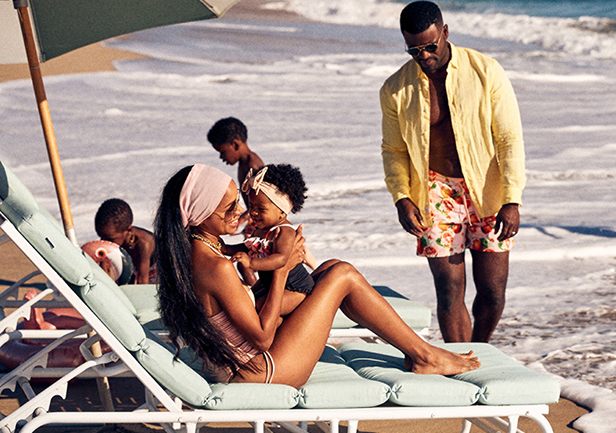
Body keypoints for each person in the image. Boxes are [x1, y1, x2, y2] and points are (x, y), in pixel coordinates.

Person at [154, 164, 479, 387]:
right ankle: (424, 355)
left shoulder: (201, 252)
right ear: (198, 214)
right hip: (260, 370)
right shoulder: (217, 266)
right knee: (343, 275)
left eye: (238, 202)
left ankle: (422, 353)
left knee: (327, 269)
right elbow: (263, 337)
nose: (240, 213)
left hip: (238, 363)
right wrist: (281, 270)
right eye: (228, 209)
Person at [380, 1, 525, 343]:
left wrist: (512, 198)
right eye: (414, 49)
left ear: (445, 32)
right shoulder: (395, 89)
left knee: (492, 293)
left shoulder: (486, 71)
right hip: (433, 192)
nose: (424, 55)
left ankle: (480, 348)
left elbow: (509, 138)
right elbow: (394, 150)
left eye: (430, 46)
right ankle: (460, 366)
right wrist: (401, 198)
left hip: (487, 190)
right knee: (449, 289)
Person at [228, 164, 315, 316]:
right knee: (248, 298)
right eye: (252, 207)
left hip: (295, 289)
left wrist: (251, 263)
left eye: (261, 209)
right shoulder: (261, 229)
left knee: (261, 306)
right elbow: (251, 248)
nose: (253, 213)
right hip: (271, 282)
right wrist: (225, 248)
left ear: (282, 211)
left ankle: (278, 324)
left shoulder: (285, 231)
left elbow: (281, 259)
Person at [95, 198, 156, 284]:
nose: (104, 242)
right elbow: (104, 270)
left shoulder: (144, 243)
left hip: (157, 273)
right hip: (134, 268)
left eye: (110, 239)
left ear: (128, 230)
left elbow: (142, 281)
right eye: (101, 237)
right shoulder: (114, 237)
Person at [207, 117, 264, 186]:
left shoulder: (253, 168)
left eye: (222, 152)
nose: (221, 157)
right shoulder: (244, 162)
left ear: (235, 145)